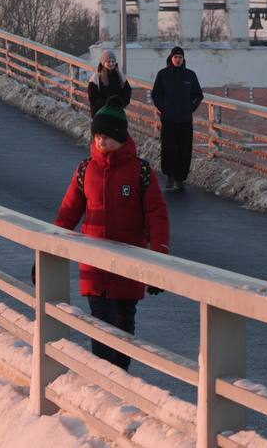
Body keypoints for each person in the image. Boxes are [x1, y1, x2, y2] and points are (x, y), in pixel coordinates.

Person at [53, 98, 170, 371]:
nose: (100, 141)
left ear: (120, 137)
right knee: (101, 326)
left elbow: (157, 215)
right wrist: (48, 251)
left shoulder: (140, 172)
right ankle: (105, 382)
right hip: (94, 268)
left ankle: (120, 380)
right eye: (97, 136)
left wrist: (160, 257)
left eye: (105, 136)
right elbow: (67, 213)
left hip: (128, 267)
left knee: (124, 326)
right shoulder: (86, 170)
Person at [150, 46, 203, 191]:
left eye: (180, 57)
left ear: (183, 59)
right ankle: (170, 176)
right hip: (168, 119)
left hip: (185, 120)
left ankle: (180, 178)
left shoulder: (190, 75)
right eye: (175, 57)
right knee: (169, 149)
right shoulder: (163, 74)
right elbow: (156, 94)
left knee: (184, 150)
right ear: (171, 58)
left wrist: (190, 108)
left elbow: (198, 95)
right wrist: (164, 108)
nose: (178, 60)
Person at [87, 49, 131, 116]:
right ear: (103, 63)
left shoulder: (120, 76)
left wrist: (121, 104)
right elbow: (92, 97)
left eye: (113, 61)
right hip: (100, 112)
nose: (111, 63)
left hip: (116, 111)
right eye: (108, 61)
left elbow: (127, 91)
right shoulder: (96, 77)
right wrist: (107, 105)